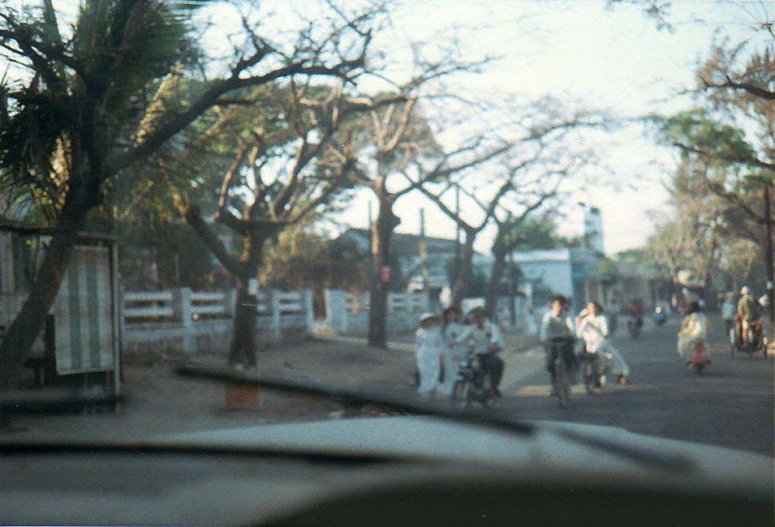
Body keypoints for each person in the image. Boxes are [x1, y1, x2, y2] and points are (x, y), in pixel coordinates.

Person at [576, 301, 630, 384]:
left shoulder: (601, 318)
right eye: (590, 308)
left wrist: (605, 335)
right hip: (589, 344)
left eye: (594, 308)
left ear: (598, 309)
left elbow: (605, 331)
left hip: (601, 343)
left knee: (614, 357)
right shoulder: (585, 320)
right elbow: (579, 332)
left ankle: (620, 375)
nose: (593, 310)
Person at [539, 295, 578, 390]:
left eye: (561, 304)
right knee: (550, 362)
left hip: (565, 339)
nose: (559, 307)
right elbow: (544, 328)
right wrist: (544, 339)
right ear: (552, 305)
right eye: (556, 304)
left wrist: (574, 335)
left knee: (570, 357)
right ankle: (554, 384)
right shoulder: (548, 316)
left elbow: (572, 327)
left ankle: (570, 372)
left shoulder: (567, 316)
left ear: (564, 306)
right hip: (552, 340)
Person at [466, 307, 506, 397]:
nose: (477, 320)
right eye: (475, 318)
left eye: (479, 317)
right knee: (469, 368)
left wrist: (493, 344)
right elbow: (464, 339)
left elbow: (495, 338)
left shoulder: (492, 327)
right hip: (475, 355)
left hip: (488, 354)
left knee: (498, 364)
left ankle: (493, 387)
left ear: (484, 317)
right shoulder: (471, 329)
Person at [440, 306, 472, 396]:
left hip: (458, 351)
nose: (451, 316)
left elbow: (465, 336)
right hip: (447, 352)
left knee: (458, 372)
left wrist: (456, 341)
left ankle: (459, 392)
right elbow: (443, 341)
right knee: (448, 372)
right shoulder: (444, 327)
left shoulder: (462, 326)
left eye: (453, 314)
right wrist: (441, 352)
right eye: (449, 314)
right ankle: (448, 392)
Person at [415, 313, 444, 397]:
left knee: (434, 371)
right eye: (427, 321)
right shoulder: (419, 332)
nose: (429, 322)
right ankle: (425, 390)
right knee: (424, 371)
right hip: (423, 353)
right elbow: (417, 345)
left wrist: (441, 353)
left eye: (430, 320)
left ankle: (432, 389)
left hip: (434, 352)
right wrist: (417, 355)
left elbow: (440, 343)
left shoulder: (437, 331)